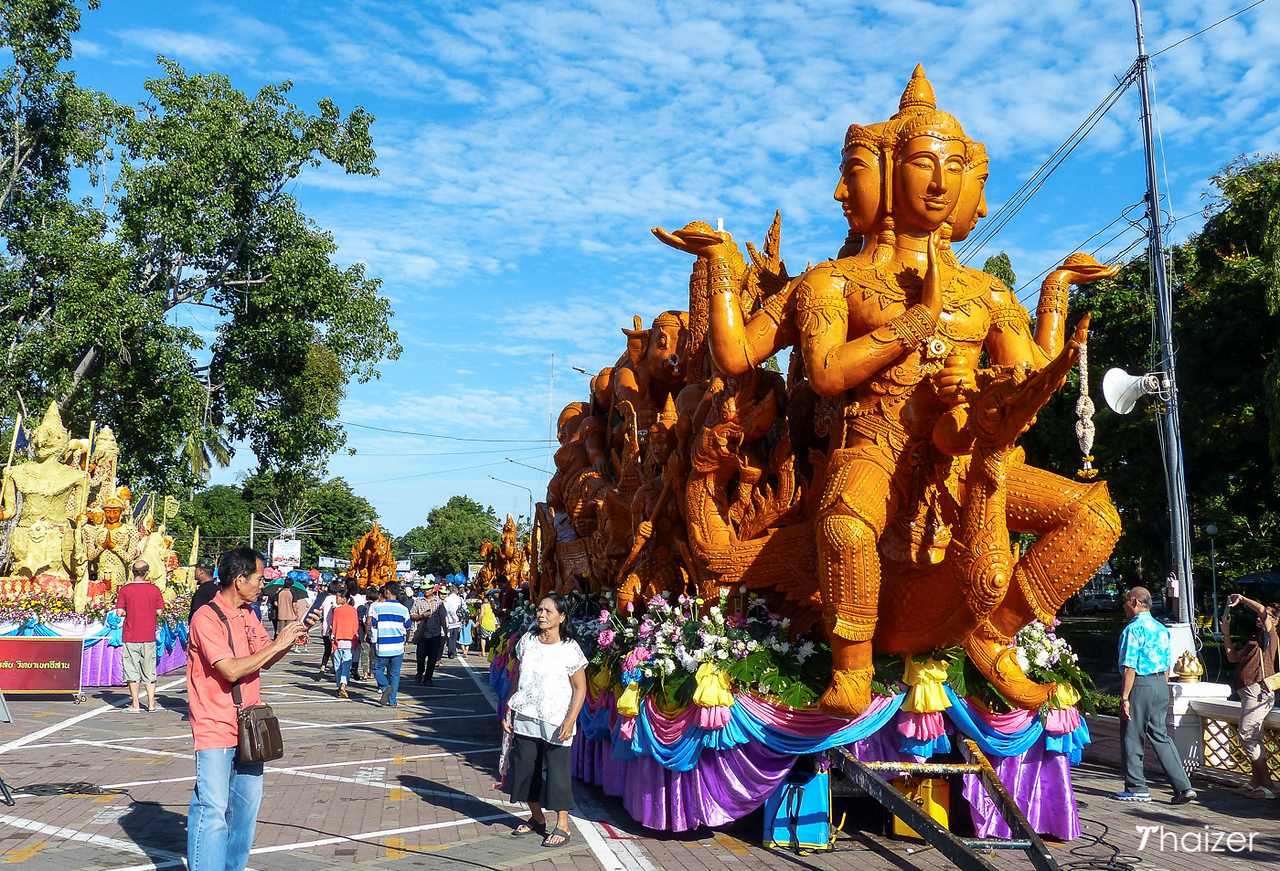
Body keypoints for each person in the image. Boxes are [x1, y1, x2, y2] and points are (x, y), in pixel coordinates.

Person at [186, 546, 311, 871]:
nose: (262, 584)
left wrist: (288, 639)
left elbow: (264, 661)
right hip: (215, 725)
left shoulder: (249, 614)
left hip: (250, 726)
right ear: (239, 580)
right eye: (258, 578)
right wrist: (279, 643)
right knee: (212, 810)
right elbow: (229, 669)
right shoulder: (207, 617)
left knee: (245, 812)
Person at [502, 593, 588, 848]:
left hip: (556, 720)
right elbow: (517, 677)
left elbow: (580, 688)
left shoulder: (570, 648)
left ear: (562, 617)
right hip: (526, 716)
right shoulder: (527, 641)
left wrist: (571, 719)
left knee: (558, 772)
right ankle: (537, 818)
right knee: (526, 770)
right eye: (540, 610)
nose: (541, 615)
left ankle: (562, 825)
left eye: (548, 611)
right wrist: (510, 709)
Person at [1114, 586, 1196, 804]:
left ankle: (1136, 787)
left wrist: (1124, 697)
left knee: (1132, 734)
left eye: (1126, 601)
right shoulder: (1161, 629)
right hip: (1160, 683)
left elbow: (1130, 666)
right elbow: (1168, 662)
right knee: (1160, 736)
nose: (1124, 606)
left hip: (1140, 683)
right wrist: (1161, 684)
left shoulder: (1133, 630)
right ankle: (1183, 786)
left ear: (1134, 602)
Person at [1222, 592, 1279, 799]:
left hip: (1259, 692)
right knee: (1252, 737)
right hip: (1248, 693)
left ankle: (1269, 787)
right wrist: (1226, 631)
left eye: (1268, 616)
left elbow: (1262, 611)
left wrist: (1243, 599)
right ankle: (1256, 782)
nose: (1260, 617)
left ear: (1276, 620)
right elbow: (1232, 657)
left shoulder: (1272, 637)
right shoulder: (1257, 639)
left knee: (1247, 735)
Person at [116, 560, 165, 713]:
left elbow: (119, 612)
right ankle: (151, 704)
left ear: (133, 572)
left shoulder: (125, 590)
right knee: (149, 670)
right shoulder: (154, 590)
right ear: (146, 573)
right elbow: (159, 611)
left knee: (132, 670)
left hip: (131, 635)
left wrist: (128, 612)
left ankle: (135, 704)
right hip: (148, 635)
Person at [368, 582, 411, 706]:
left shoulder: (378, 608)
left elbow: (374, 625)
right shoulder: (404, 609)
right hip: (398, 646)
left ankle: (385, 686)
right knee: (395, 674)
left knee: (377, 670)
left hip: (383, 647)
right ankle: (392, 701)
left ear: (387, 592)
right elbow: (407, 626)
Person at [329, 587, 360, 700]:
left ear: (344, 598)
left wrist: (333, 639)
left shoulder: (337, 611)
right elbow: (355, 627)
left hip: (339, 640)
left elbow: (334, 626)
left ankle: (339, 685)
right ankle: (343, 684)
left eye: (338, 597)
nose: (336, 599)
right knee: (346, 664)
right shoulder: (353, 610)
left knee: (338, 665)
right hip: (350, 640)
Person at [413, 585, 448, 685]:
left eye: (428, 589)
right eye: (424, 589)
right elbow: (412, 615)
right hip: (422, 635)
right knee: (420, 657)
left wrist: (446, 634)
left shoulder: (439, 603)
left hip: (435, 634)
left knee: (432, 658)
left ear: (433, 590)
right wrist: (421, 616)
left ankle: (428, 678)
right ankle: (420, 672)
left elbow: (443, 619)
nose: (426, 591)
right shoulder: (418, 601)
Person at [315, 580, 343, 681]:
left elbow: (320, 609)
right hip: (335, 629)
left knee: (327, 649)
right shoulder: (339, 599)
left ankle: (323, 666)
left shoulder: (326, 599)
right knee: (336, 651)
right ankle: (336, 672)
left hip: (326, 628)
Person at [347, 578, 368, 681]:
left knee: (346, 647)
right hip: (357, 624)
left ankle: (346, 667)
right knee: (357, 647)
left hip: (346, 623)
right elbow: (362, 610)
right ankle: (354, 666)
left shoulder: (346, 596)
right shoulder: (359, 597)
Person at [444, 585, 463, 658]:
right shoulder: (460, 599)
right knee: (454, 637)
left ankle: (451, 650)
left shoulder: (446, 599)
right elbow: (465, 609)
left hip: (447, 620)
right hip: (457, 621)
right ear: (456, 591)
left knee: (449, 637)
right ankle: (453, 651)